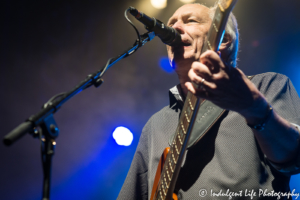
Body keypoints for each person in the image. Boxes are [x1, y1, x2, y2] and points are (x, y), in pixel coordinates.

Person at [117, 3, 300, 200]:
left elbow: (294, 157)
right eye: (172, 22)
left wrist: (253, 107)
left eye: (190, 21)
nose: (175, 27)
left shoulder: (266, 85)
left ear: (223, 39)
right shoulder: (155, 125)